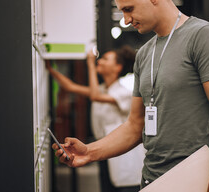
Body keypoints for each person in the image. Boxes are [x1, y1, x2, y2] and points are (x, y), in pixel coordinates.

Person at [52, 0, 209, 192]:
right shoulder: (145, 53)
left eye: (128, 9)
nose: (126, 20)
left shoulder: (204, 38)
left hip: (193, 180)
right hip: (152, 180)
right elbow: (135, 125)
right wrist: (89, 152)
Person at [46, 45, 143, 192]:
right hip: (103, 152)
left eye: (105, 59)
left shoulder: (124, 92)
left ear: (118, 67)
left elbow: (95, 96)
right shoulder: (103, 89)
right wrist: (50, 69)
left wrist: (90, 64)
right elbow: (70, 87)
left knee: (125, 188)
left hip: (123, 155)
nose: (100, 61)